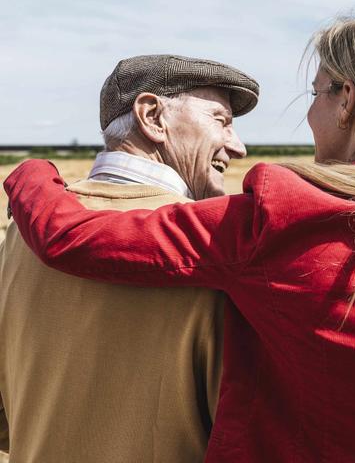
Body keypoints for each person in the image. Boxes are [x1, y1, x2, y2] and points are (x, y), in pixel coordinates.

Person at [5, 9, 355, 462]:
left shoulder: (280, 219)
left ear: (347, 101)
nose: (241, 144)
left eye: (314, 94)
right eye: (221, 120)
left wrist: (30, 173)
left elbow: (66, 237)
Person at [0, 54, 259, 462]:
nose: (238, 146)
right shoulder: (216, 249)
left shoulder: (20, 233)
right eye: (221, 120)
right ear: (153, 116)